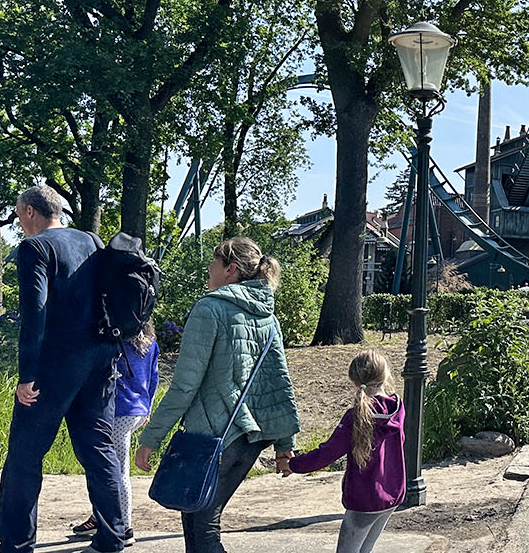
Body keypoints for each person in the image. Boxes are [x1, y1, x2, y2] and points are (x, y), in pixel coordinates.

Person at [135, 237, 300, 553]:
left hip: (212, 438)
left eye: (214, 263)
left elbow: (185, 385)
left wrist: (151, 439)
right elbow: (279, 381)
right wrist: (284, 445)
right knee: (199, 524)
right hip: (249, 441)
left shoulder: (209, 309)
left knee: (203, 530)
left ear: (231, 269)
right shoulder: (268, 316)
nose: (208, 270)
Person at [0, 185, 127, 553]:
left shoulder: (35, 248)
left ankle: (17, 542)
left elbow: (34, 314)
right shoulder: (92, 241)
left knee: (25, 453)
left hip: (57, 362)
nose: (19, 223)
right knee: (98, 447)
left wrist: (27, 375)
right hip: (102, 357)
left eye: (19, 215)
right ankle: (114, 534)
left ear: (30, 212)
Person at [286, 350, 406, 553]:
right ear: (385, 376)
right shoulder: (398, 407)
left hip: (365, 497)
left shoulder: (355, 416)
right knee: (364, 550)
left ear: (354, 382)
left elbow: (327, 454)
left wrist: (292, 464)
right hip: (393, 492)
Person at [71, 321, 160, 543]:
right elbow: (154, 377)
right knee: (107, 467)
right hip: (138, 410)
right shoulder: (151, 344)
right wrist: (147, 407)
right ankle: (101, 514)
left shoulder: (116, 342)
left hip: (118, 411)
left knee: (116, 470)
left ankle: (124, 526)